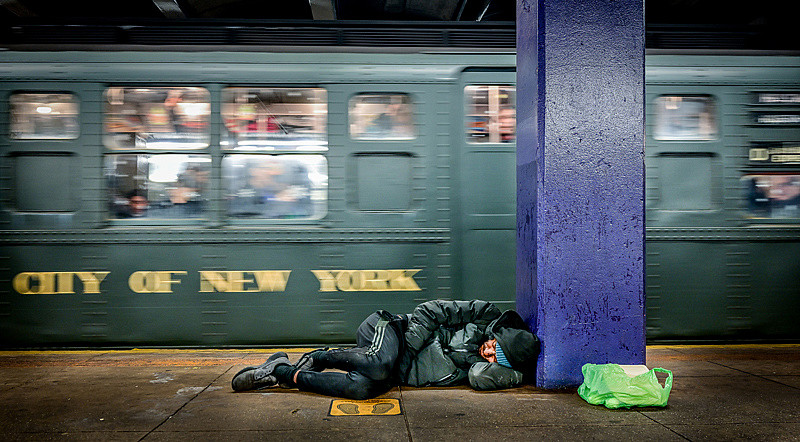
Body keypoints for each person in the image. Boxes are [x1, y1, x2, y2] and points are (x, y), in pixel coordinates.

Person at [231, 299, 540, 399]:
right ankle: (319, 356)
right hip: (391, 330)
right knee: (379, 366)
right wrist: (407, 350)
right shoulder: (484, 314)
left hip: (392, 369)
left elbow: (479, 377)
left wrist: (510, 372)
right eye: (493, 346)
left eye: (494, 358)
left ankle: (281, 372)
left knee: (363, 389)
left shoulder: (486, 369)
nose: (487, 352)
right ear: (500, 334)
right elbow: (430, 311)